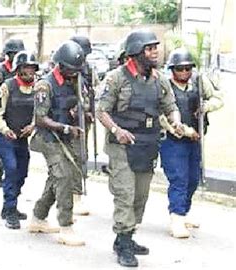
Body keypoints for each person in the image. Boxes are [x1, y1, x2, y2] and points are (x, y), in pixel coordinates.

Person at [96, 29, 183, 267]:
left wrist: (175, 121)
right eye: (150, 48)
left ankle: (126, 236)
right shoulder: (116, 78)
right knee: (125, 194)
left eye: (156, 47)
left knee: (141, 197)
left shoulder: (160, 80)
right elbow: (101, 110)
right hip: (121, 145)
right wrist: (117, 130)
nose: (155, 52)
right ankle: (123, 243)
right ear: (135, 53)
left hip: (147, 145)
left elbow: (170, 105)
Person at [27, 41, 86, 247]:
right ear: (60, 65)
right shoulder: (45, 84)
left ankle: (38, 217)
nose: (74, 74)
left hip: (66, 137)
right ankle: (66, 227)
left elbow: (78, 104)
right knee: (64, 176)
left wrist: (81, 114)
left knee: (56, 178)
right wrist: (66, 128)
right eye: (70, 69)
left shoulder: (75, 80)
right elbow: (40, 118)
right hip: (48, 138)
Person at [160, 47, 223, 238]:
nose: (185, 72)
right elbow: (162, 116)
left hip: (196, 140)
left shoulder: (199, 82)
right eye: (180, 69)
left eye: (188, 68)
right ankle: (176, 218)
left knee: (193, 178)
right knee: (179, 178)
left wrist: (205, 107)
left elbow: (218, 98)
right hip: (173, 140)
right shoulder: (165, 86)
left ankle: (184, 212)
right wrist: (185, 131)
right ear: (172, 69)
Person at [0, 50, 38, 229]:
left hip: (22, 137)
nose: (30, 71)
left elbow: (40, 112)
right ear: (18, 69)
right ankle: (9, 209)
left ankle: (12, 203)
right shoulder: (7, 87)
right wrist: (5, 129)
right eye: (26, 67)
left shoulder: (37, 88)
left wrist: (33, 125)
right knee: (10, 168)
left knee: (22, 171)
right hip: (6, 136)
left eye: (32, 68)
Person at [69, 35, 101, 216]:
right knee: (73, 158)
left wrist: (90, 110)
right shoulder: (64, 68)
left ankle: (74, 193)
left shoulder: (89, 71)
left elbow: (94, 91)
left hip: (84, 121)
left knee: (81, 156)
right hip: (67, 122)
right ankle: (74, 196)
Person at [0, 38, 26, 188]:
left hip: (18, 110)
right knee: (6, 149)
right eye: (13, 53)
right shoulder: (0, 70)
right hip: (2, 110)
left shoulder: (23, 68)